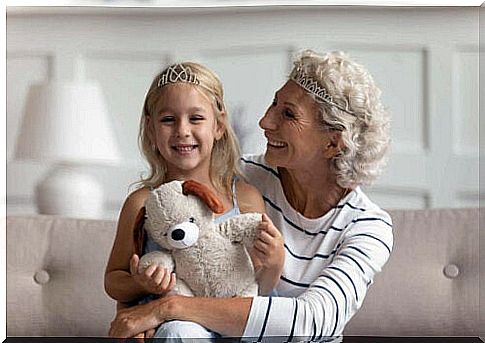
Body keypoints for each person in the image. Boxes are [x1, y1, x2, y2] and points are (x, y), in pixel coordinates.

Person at [108, 50, 393, 342]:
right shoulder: (242, 174)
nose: (265, 121)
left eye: (288, 114)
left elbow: (311, 321)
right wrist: (137, 314)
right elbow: (141, 256)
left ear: (332, 143)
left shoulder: (368, 227)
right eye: (273, 104)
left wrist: (167, 308)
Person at [104, 62, 285, 339]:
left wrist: (273, 264)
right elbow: (114, 282)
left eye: (196, 118)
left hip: (233, 323)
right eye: (168, 120)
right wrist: (141, 283)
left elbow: (259, 286)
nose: (182, 130)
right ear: (151, 129)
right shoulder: (142, 203)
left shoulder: (246, 197)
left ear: (219, 126)